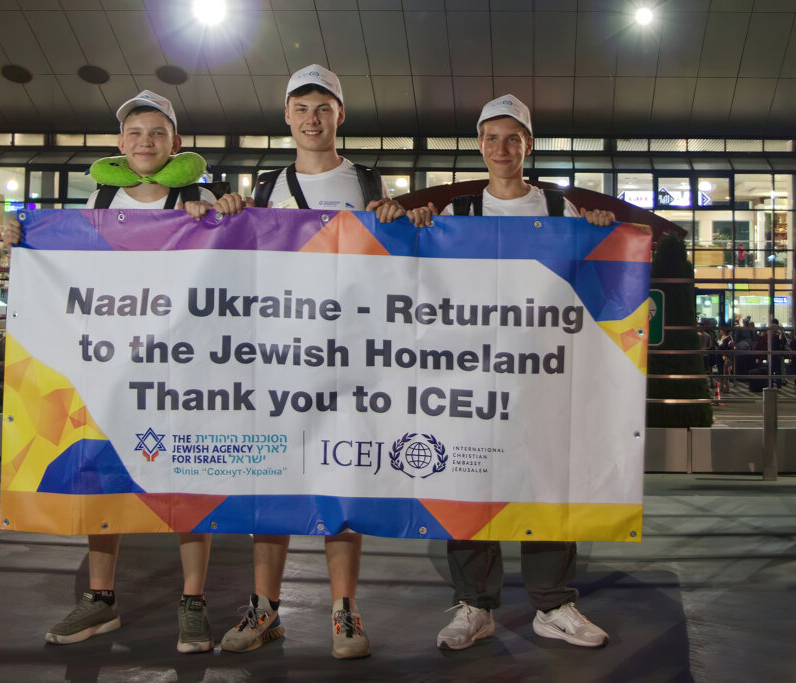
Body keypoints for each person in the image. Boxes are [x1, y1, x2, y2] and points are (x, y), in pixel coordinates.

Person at [2, 90, 226, 653]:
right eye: (134, 133)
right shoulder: (98, 199)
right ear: (119, 144)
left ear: (175, 142)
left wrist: (217, 216)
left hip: (182, 367)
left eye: (157, 133)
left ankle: (193, 600)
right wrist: (20, 236)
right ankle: (101, 599)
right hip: (114, 367)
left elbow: (233, 255)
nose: (145, 142)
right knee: (101, 473)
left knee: (186, 478)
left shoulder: (194, 196)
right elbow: (62, 263)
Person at [212, 64, 416, 661]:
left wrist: (408, 221)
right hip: (278, 356)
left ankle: (344, 611)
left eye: (322, 108)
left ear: (340, 116)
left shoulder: (369, 182)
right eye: (301, 108)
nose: (311, 119)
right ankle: (264, 608)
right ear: (286, 116)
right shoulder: (266, 184)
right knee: (270, 480)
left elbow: (400, 261)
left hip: (350, 359)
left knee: (342, 480)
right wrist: (224, 212)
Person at [416, 94, 614, 652]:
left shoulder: (558, 211)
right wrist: (414, 228)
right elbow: (425, 284)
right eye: (491, 138)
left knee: (548, 478)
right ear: (479, 146)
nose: (502, 148)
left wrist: (598, 232)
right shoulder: (458, 215)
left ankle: (552, 604)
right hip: (473, 378)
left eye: (513, 138)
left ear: (529, 145)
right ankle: (475, 605)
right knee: (470, 480)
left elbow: (589, 281)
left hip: (543, 375)